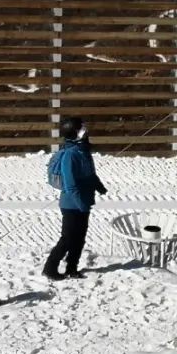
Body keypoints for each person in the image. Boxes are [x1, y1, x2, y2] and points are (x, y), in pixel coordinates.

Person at [43, 117, 107, 280]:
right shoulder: (70, 155)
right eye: (81, 129)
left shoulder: (83, 151)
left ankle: (72, 268)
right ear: (73, 133)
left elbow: (90, 174)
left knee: (79, 239)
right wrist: (81, 205)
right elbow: (70, 186)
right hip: (71, 205)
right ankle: (50, 268)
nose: (85, 131)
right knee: (68, 239)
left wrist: (99, 186)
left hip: (83, 203)